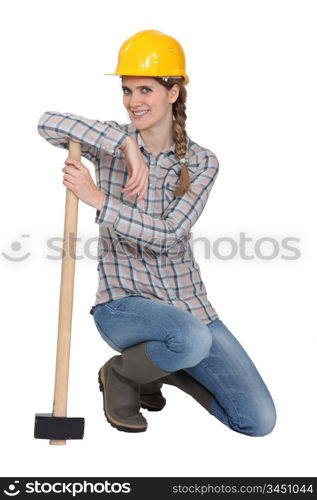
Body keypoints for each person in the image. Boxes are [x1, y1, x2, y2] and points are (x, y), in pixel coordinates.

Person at [38, 29, 277, 436]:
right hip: (123, 307)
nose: (134, 102)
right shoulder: (110, 143)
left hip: (191, 310)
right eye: (127, 90)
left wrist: (97, 199)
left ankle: (152, 370)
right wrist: (125, 145)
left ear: (173, 92)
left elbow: (169, 233)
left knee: (257, 421)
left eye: (145, 90)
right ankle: (127, 374)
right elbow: (47, 123)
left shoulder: (202, 162)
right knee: (189, 338)